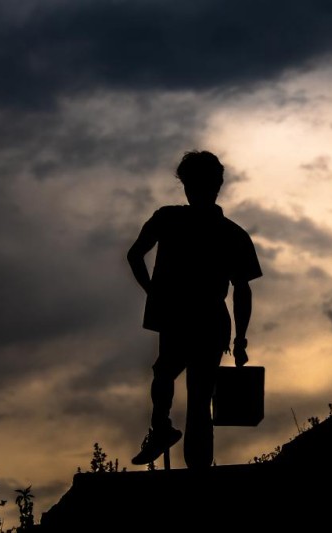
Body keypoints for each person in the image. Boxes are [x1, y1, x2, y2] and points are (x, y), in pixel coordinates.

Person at [127, 150, 262, 469]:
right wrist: (241, 339)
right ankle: (192, 464)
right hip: (210, 320)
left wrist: (152, 291)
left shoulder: (168, 219)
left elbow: (135, 256)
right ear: (219, 185)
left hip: (177, 315)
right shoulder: (232, 233)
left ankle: (161, 430)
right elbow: (242, 289)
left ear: (187, 185)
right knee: (198, 399)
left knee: (165, 374)